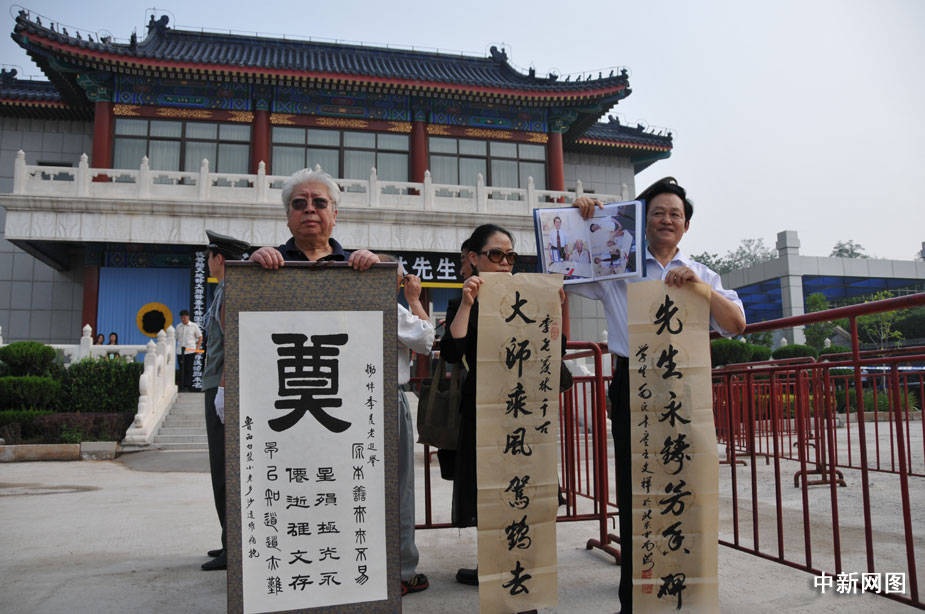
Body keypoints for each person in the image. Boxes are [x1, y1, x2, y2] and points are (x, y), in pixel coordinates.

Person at [568, 177, 745, 614]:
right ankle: (636, 603)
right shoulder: (617, 264)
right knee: (639, 496)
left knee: (688, 489)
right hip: (634, 385)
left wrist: (701, 290)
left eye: (675, 214)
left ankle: (685, 597)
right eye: (658, 212)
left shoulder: (702, 273)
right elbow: (563, 273)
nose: (667, 219)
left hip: (685, 391)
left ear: (686, 226)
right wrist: (579, 221)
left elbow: (736, 324)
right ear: (643, 221)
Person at [440, 224, 517, 586]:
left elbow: (555, 348)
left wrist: (554, 310)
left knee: (521, 484)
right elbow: (452, 351)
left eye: (510, 256)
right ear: (474, 258)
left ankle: (520, 562)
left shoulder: (527, 295)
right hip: (482, 407)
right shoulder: (463, 301)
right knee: (487, 488)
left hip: (524, 408)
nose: (504, 262)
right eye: (496, 254)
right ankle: (492, 563)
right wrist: (468, 304)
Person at [380, 255, 435, 597]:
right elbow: (427, 340)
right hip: (387, 398)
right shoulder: (393, 310)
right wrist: (414, 300)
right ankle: (401, 570)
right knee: (399, 487)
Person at [200, 229, 251, 572]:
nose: (208, 262)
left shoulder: (231, 290)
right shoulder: (223, 289)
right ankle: (228, 539)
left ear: (219, 258)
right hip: (217, 382)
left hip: (222, 385)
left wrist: (224, 388)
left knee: (225, 469)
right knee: (223, 467)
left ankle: (234, 546)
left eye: (209, 256)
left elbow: (235, 341)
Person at [249, 168, 378, 270]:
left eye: (319, 202)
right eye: (299, 203)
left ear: (334, 215)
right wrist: (250, 268)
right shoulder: (268, 262)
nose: (309, 209)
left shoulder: (355, 264)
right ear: (287, 216)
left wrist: (377, 271)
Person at [175, 309, 202, 392]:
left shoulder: (194, 326)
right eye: (181, 318)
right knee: (182, 368)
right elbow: (175, 338)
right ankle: (182, 386)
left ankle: (188, 386)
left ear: (188, 317)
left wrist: (197, 348)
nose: (183, 319)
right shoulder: (178, 327)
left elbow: (200, 337)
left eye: (184, 318)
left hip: (190, 351)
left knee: (188, 369)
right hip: (180, 351)